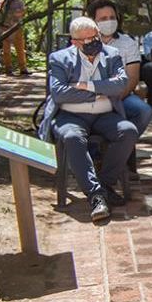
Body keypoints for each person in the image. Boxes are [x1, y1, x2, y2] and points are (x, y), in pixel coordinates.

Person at [39, 17, 137, 221]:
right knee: (73, 137)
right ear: (74, 42)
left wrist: (86, 86)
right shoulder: (59, 58)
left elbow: (120, 85)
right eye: (87, 40)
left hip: (105, 114)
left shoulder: (112, 55)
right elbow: (59, 93)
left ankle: (105, 183)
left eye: (96, 36)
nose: (94, 41)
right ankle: (96, 196)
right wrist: (99, 91)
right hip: (70, 115)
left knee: (128, 131)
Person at [87, 0, 152, 136]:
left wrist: (113, 100)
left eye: (112, 17)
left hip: (122, 95)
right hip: (90, 95)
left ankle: (123, 144)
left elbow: (133, 78)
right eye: (103, 18)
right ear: (93, 21)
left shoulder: (128, 43)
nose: (109, 21)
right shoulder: (84, 42)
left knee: (144, 111)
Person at [0, 0, 28, 75]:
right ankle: (8, 69)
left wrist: (14, 13)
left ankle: (23, 69)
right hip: (5, 29)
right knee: (6, 50)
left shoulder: (19, 2)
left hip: (17, 28)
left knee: (20, 49)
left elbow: (23, 12)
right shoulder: (1, 2)